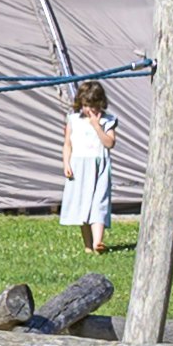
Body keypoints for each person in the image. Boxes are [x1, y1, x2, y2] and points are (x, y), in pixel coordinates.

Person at [56, 75, 118, 245]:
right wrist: (66, 163)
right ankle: (88, 245)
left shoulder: (107, 120)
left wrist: (97, 126)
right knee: (82, 205)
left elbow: (109, 143)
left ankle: (98, 241)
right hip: (79, 166)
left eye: (92, 106)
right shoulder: (74, 120)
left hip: (99, 166)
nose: (89, 110)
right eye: (85, 106)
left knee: (99, 203)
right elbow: (68, 143)